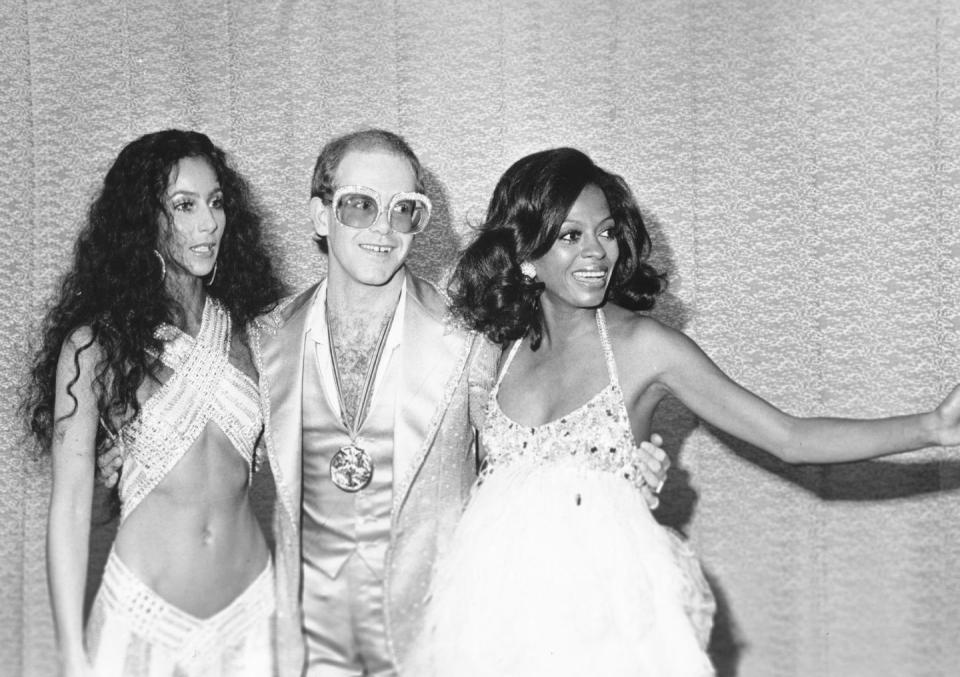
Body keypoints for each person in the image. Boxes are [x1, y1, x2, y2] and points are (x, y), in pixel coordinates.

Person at [410, 147, 960, 677]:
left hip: (608, 620)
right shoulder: (499, 351)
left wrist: (931, 427)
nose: (597, 252)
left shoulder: (645, 345)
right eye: (570, 236)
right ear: (527, 256)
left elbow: (790, 437)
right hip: (495, 615)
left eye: (605, 231)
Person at [251, 129, 672, 676]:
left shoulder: (472, 334)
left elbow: (530, 456)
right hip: (303, 655)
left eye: (405, 209)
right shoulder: (262, 338)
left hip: (435, 646)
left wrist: (617, 469)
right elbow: (215, 454)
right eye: (360, 205)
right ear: (319, 215)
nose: (383, 226)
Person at [23, 129, 285, 676]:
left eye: (215, 203)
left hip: (254, 617)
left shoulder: (254, 333)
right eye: (184, 206)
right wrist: (72, 652)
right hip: (141, 620)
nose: (208, 222)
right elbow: (69, 508)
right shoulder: (95, 346)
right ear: (145, 219)